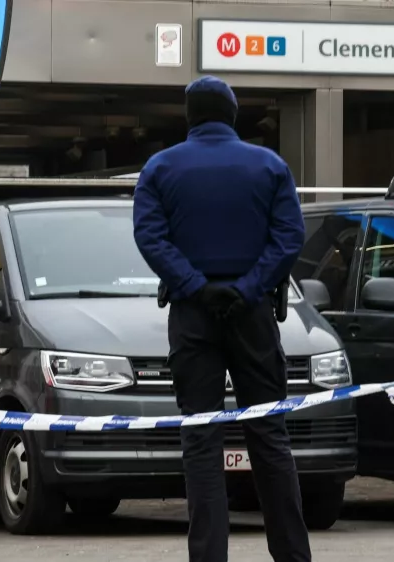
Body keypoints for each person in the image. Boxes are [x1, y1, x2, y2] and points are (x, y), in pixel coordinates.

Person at [132, 75, 310, 562]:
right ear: (233, 116)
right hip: (252, 316)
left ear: (189, 117)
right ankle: (293, 556)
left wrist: (195, 286)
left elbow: (150, 237)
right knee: (269, 434)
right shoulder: (269, 166)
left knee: (201, 438)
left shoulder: (160, 168)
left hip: (193, 318)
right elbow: (290, 237)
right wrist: (249, 288)